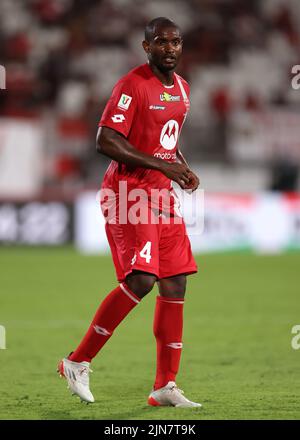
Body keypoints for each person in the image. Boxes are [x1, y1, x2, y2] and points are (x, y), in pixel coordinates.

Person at [58, 17, 201, 408]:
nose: (170, 48)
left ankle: (165, 386)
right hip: (127, 192)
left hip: (161, 195)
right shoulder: (132, 85)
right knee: (142, 279)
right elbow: (105, 140)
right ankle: (77, 361)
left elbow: (164, 144)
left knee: (175, 283)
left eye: (176, 42)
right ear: (146, 47)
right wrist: (163, 167)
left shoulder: (184, 90)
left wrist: (181, 167)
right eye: (161, 42)